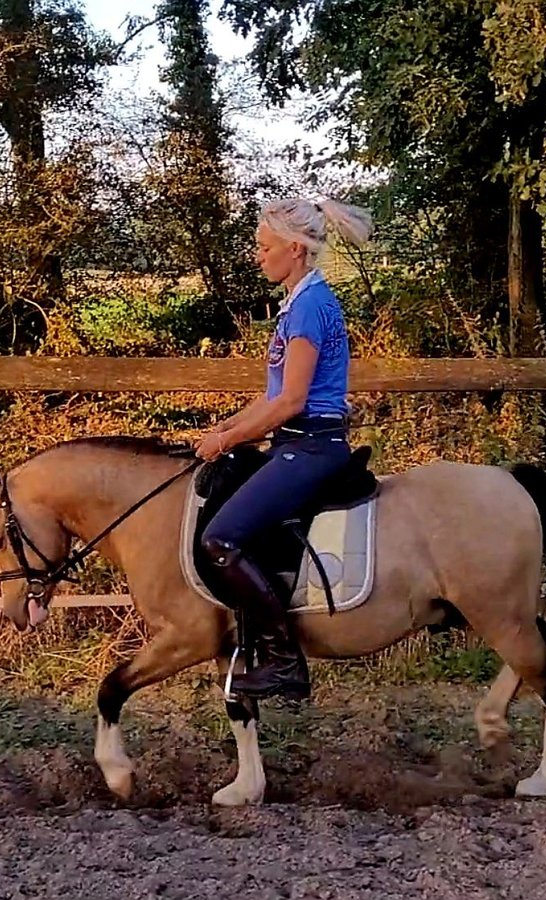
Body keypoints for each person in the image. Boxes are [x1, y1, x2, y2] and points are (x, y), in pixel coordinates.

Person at [195, 197, 374, 700]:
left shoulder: (311, 307)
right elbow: (272, 397)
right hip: (294, 442)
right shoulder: (298, 302)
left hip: (312, 446)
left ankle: (282, 661)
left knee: (221, 539)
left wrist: (229, 439)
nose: (257, 255)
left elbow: (292, 401)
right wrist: (225, 427)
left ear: (294, 248)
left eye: (263, 246)